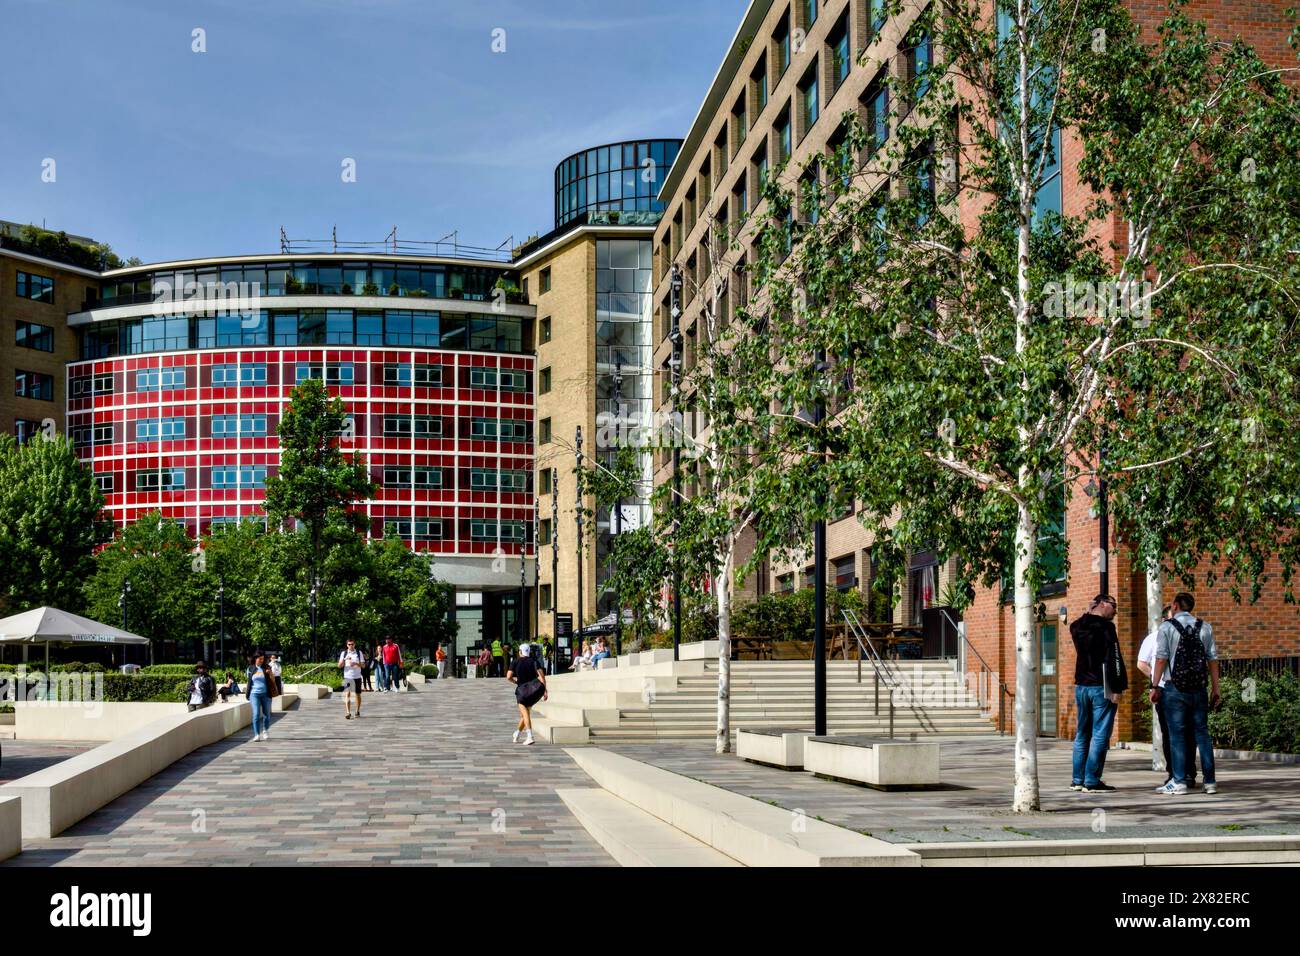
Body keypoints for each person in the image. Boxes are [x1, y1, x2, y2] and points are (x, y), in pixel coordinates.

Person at [1150, 592, 1220, 795]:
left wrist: (1155, 686)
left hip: (1175, 688)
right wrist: (1216, 689)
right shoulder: (1205, 627)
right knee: (1203, 734)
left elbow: (1161, 658)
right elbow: (1212, 659)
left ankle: (1179, 781)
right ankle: (1210, 782)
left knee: (1177, 735)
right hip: (1199, 688)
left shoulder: (1167, 627)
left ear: (1175, 606)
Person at [1138, 604, 1197, 789]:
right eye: (1174, 619)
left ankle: (1188, 773)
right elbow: (1142, 663)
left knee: (1189, 733)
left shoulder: (1189, 635)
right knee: (1170, 734)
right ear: (1164, 620)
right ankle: (1174, 773)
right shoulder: (1153, 638)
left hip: (1188, 689)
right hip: (1164, 691)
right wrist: (1156, 680)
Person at [1069, 594, 1121, 793]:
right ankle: (1091, 780)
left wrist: (1087, 612)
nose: (1115, 610)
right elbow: (1114, 657)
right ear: (1102, 604)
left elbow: (1074, 624)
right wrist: (1117, 686)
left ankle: (1077, 780)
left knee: (1082, 734)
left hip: (1082, 685)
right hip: (1101, 685)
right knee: (1100, 734)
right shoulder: (1107, 628)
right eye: (1113, 605)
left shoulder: (1078, 627)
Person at [507, 641, 548, 745]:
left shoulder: (515, 661)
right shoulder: (534, 661)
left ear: (520, 651)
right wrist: (545, 691)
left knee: (525, 713)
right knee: (525, 714)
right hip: (534, 691)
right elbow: (542, 676)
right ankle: (517, 733)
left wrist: (515, 682)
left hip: (522, 692)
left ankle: (530, 736)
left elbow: (508, 676)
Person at [245, 652, 275, 741]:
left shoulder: (267, 667)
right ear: (255, 658)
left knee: (267, 715)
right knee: (256, 714)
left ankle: (265, 730)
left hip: (266, 694)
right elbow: (249, 682)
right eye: (260, 659)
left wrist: (270, 673)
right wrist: (247, 693)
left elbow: (273, 680)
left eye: (263, 659)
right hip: (254, 694)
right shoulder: (250, 668)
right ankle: (257, 734)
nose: (262, 660)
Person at [338, 638, 365, 720]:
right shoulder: (344, 653)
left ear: (354, 644)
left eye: (352, 644)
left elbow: (363, 665)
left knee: (357, 694)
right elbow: (339, 666)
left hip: (357, 676)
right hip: (347, 677)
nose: (351, 646)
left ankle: (357, 711)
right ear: (347, 645)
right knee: (347, 694)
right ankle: (348, 712)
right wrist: (344, 659)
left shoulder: (358, 653)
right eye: (349, 644)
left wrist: (356, 663)